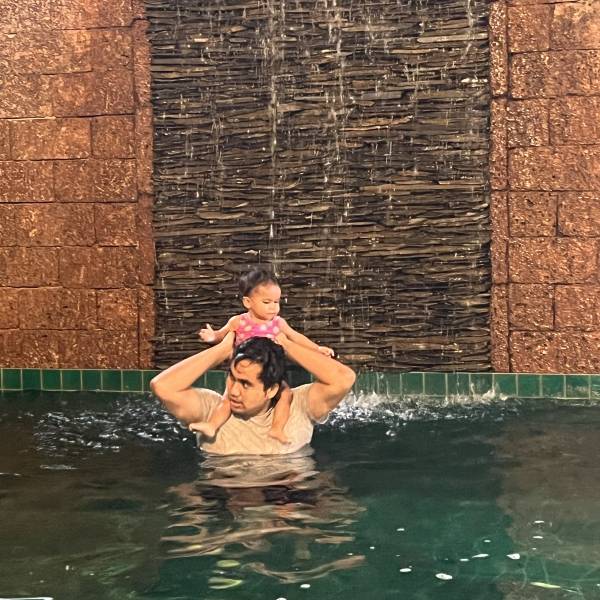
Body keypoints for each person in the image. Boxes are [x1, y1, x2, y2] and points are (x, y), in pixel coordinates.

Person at [150, 332, 355, 455]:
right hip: (222, 498)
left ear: (271, 389)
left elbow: (344, 378)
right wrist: (221, 351)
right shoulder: (210, 411)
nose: (234, 391)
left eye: (246, 384)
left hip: (287, 498)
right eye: (232, 378)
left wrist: (287, 346)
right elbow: (163, 386)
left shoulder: (299, 407)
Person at [193, 268, 334, 444]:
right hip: (242, 373)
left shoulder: (278, 323)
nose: (273, 307)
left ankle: (277, 429)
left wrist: (317, 348)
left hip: (270, 373)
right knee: (227, 399)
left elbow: (296, 337)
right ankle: (212, 425)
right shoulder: (238, 321)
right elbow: (221, 335)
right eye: (267, 302)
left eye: (276, 302)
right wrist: (212, 336)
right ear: (248, 302)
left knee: (286, 395)